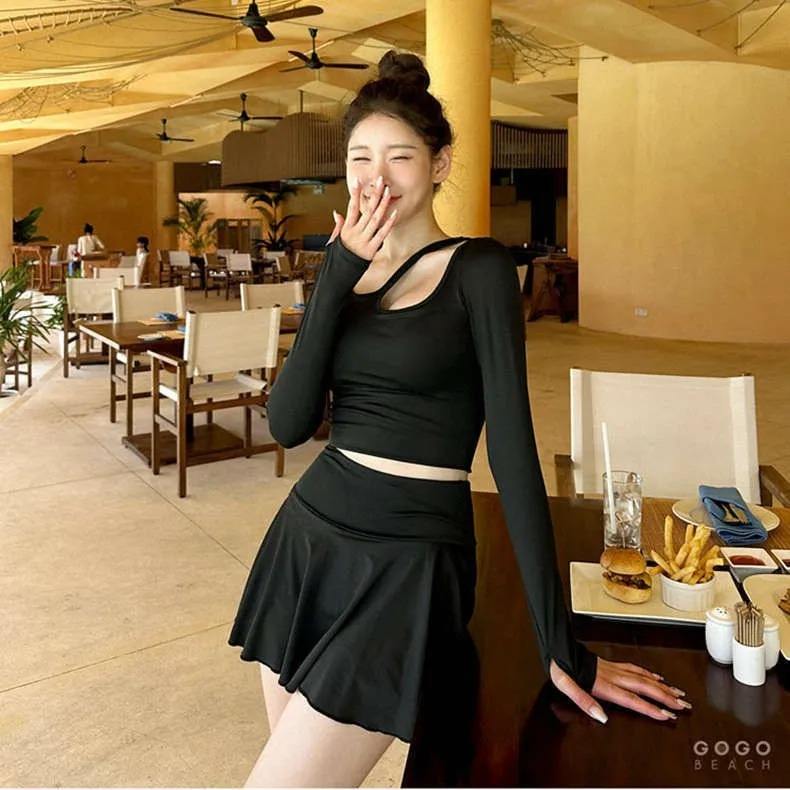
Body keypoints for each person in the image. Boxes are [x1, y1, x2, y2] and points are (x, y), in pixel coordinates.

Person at [228, 51, 690, 788]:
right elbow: (287, 424)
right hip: (308, 542)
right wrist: (337, 274)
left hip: (410, 561)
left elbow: (511, 451)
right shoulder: (343, 270)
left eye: (399, 156)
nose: (375, 175)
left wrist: (559, 642)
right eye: (360, 157)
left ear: (439, 164)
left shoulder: (477, 268)